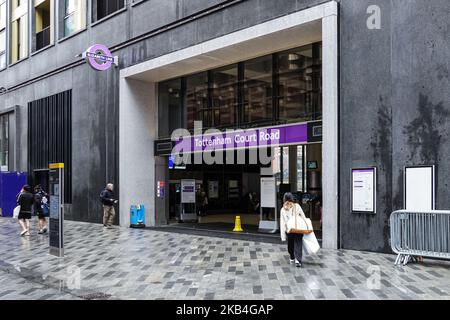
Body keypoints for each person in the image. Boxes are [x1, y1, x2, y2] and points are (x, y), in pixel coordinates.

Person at [280, 192, 307, 268]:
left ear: (284, 199)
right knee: (298, 243)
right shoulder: (297, 206)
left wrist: (283, 236)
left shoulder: (282, 209)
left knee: (290, 244)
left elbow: (282, 223)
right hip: (298, 228)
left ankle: (292, 256)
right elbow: (303, 216)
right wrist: (306, 226)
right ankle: (298, 260)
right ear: (292, 198)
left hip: (289, 230)